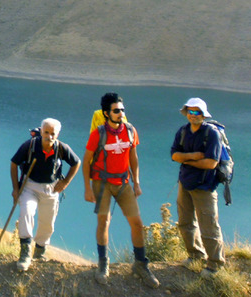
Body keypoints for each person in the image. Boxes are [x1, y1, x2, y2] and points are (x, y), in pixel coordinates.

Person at [82, 92, 159, 288]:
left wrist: (137, 182)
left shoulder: (131, 131)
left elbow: (133, 157)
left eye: (122, 110)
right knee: (104, 222)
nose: (121, 114)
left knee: (137, 223)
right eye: (116, 111)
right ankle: (103, 264)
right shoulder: (97, 134)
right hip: (102, 183)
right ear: (106, 113)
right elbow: (86, 161)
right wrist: (87, 188)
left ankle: (141, 264)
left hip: (123, 183)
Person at [10, 118, 80, 271]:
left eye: (52, 133)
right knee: (26, 212)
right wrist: (16, 189)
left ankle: (40, 252)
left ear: (58, 134)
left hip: (51, 189)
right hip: (30, 186)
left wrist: (66, 182)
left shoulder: (61, 148)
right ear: (41, 131)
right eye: (46, 132)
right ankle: (25, 254)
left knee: (47, 222)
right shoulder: (30, 145)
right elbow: (14, 163)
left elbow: (76, 163)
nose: (49, 136)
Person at [170, 97, 225, 277]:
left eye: (197, 112)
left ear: (203, 114)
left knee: (208, 225)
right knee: (185, 221)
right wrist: (193, 156)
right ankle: (195, 255)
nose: (193, 115)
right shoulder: (183, 131)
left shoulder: (212, 134)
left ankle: (215, 264)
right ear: (186, 113)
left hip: (204, 186)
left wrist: (185, 159)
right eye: (190, 112)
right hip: (185, 183)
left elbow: (211, 163)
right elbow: (174, 155)